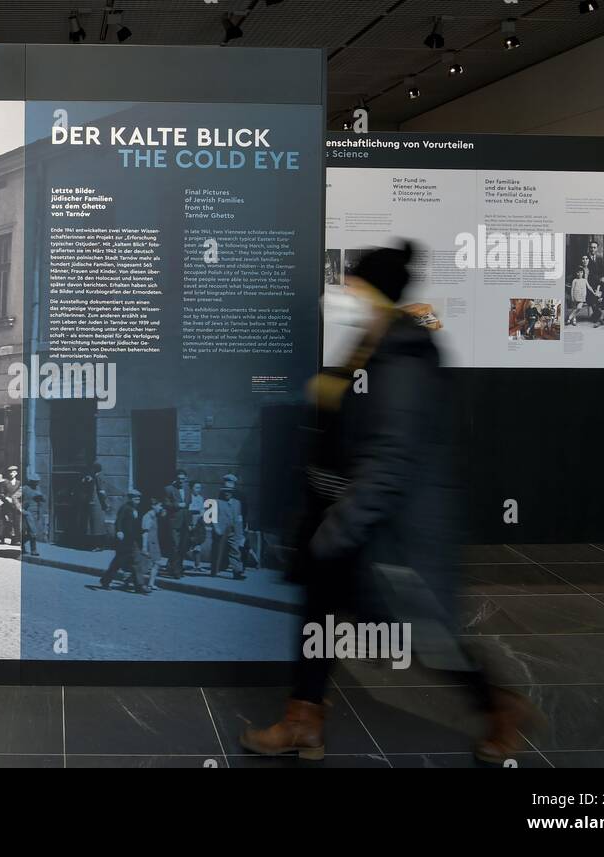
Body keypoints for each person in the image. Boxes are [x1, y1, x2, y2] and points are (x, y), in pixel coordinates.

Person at [240, 242, 537, 764]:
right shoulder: (371, 344)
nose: (347, 294)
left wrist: (341, 526)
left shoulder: (403, 359)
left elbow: (390, 458)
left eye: (354, 286)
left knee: (426, 635)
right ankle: (302, 721)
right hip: (342, 512)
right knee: (319, 615)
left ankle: (499, 705)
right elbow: (354, 413)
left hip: (382, 524)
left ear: (374, 292)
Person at [99, 488, 147, 593]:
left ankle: (140, 585)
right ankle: (105, 580)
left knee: (136, 562)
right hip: (124, 541)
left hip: (133, 540)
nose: (137, 499)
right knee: (118, 563)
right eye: (135, 497)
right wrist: (119, 531)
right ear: (130, 498)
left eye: (139, 497)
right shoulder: (125, 508)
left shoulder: (137, 509)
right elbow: (118, 521)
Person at [210, 474, 246, 580]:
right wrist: (216, 528)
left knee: (235, 550)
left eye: (229, 491)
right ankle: (214, 570)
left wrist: (240, 534)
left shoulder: (237, 503)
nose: (227, 493)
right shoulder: (216, 502)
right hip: (220, 530)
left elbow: (239, 519)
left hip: (233, 531)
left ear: (233, 492)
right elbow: (211, 517)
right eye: (225, 490)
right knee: (217, 550)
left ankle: (237, 571)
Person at [162, 468, 191, 579]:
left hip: (185, 522)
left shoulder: (188, 489)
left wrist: (190, 522)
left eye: (183, 479)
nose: (181, 481)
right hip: (174, 522)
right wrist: (178, 505)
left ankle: (177, 567)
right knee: (175, 547)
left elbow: (189, 506)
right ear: (175, 479)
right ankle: (176, 571)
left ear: (185, 479)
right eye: (179, 479)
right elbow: (166, 503)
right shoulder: (168, 489)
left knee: (183, 547)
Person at [78, 461, 109, 551]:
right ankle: (97, 545)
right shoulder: (95, 476)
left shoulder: (98, 477)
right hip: (94, 504)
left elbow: (101, 491)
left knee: (96, 526)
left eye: (92, 468)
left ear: (95, 469)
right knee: (94, 525)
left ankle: (99, 546)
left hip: (97, 504)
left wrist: (105, 503)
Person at [143, 496, 166, 591]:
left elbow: (163, 514)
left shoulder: (154, 516)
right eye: (159, 506)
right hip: (149, 543)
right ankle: (131, 580)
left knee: (156, 564)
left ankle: (151, 584)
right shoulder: (147, 516)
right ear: (153, 506)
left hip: (154, 542)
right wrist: (144, 547)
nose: (161, 508)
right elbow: (145, 533)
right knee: (148, 565)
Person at [19, 473, 45, 557]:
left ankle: (22, 545)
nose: (36, 483)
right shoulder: (24, 489)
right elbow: (15, 498)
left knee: (32, 532)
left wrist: (40, 496)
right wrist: (20, 509)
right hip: (27, 512)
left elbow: (43, 500)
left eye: (37, 481)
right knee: (33, 532)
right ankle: (33, 550)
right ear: (30, 481)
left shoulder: (38, 489)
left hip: (36, 513)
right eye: (34, 481)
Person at [3, 465, 22, 544]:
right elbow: (1, 493)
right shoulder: (5, 482)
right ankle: (9, 537)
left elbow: (20, 494)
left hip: (17, 505)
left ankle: (16, 539)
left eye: (13, 472)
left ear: (16, 473)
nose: (12, 474)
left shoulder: (19, 483)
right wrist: (6, 498)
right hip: (8, 505)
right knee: (9, 522)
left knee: (17, 522)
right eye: (10, 472)